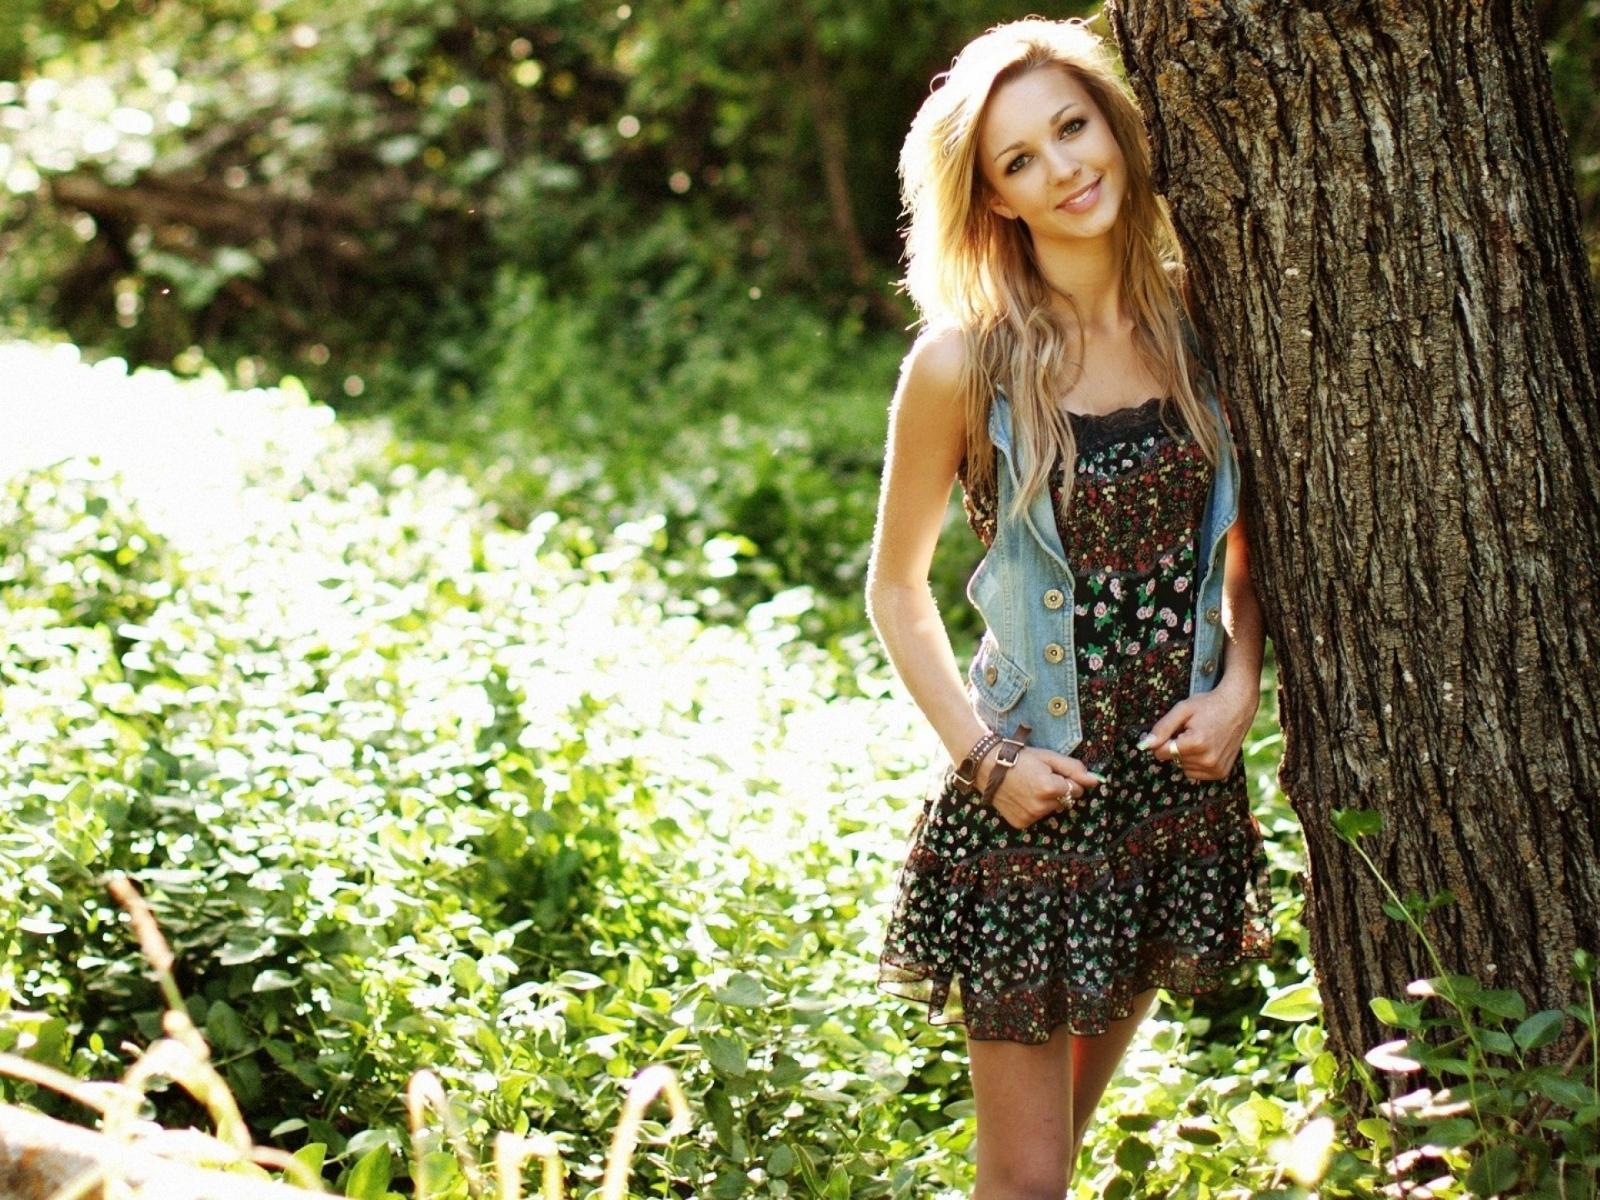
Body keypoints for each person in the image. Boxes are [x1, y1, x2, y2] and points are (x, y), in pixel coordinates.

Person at [864, 17, 1276, 1198]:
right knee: (1027, 1182)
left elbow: (1248, 547)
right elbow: (895, 589)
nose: (1062, 168)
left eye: (1070, 128)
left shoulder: (1202, 324)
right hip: (1032, 802)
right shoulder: (965, 364)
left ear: (1113, 125)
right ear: (994, 199)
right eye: (1020, 160)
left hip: (1168, 797)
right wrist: (985, 760)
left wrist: (1239, 689)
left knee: (1059, 1156)